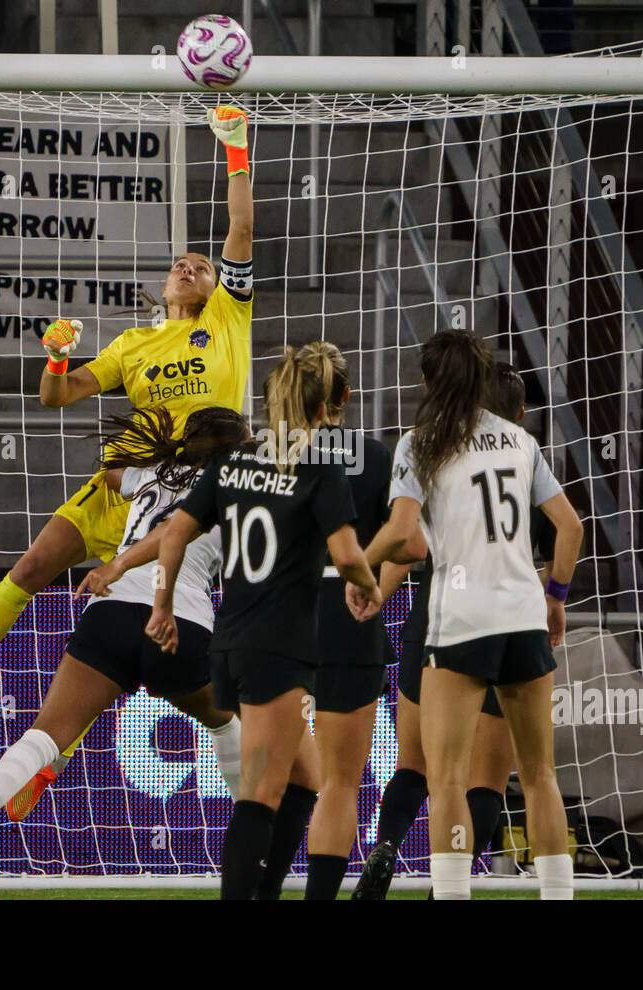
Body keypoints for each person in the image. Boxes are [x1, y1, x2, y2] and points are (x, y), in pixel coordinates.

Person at [0, 105, 256, 779]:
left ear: (216, 288)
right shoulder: (133, 343)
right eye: (179, 262)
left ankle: (51, 757)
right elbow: (57, 397)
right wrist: (57, 357)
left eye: (200, 265)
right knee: (32, 567)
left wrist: (234, 147)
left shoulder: (230, 320)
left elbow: (239, 226)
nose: (188, 265)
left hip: (184, 498)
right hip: (123, 484)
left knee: (125, 639)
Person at [0, 405, 248, 881]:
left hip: (111, 614)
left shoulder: (146, 477)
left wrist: (157, 450)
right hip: (179, 622)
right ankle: (254, 837)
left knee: (44, 734)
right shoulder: (236, 495)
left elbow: (109, 471)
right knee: (226, 724)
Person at [144, 342, 382, 900]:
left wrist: (162, 605)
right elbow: (348, 556)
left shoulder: (234, 461)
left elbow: (174, 532)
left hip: (232, 642)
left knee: (306, 778)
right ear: (331, 403)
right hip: (280, 650)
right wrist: (370, 587)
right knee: (260, 794)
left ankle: (264, 892)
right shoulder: (319, 468)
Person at [351, 331, 583, 900]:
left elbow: (405, 534)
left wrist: (355, 567)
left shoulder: (419, 444)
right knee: (539, 777)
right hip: (524, 613)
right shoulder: (519, 440)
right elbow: (571, 527)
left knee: (446, 776)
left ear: (428, 382)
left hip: (461, 616)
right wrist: (554, 595)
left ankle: (449, 893)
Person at [291, 343, 394, 900]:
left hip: (276, 618)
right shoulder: (378, 457)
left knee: (261, 783)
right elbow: (407, 540)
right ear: (346, 396)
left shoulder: (268, 452)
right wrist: (370, 586)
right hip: (348, 618)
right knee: (338, 784)